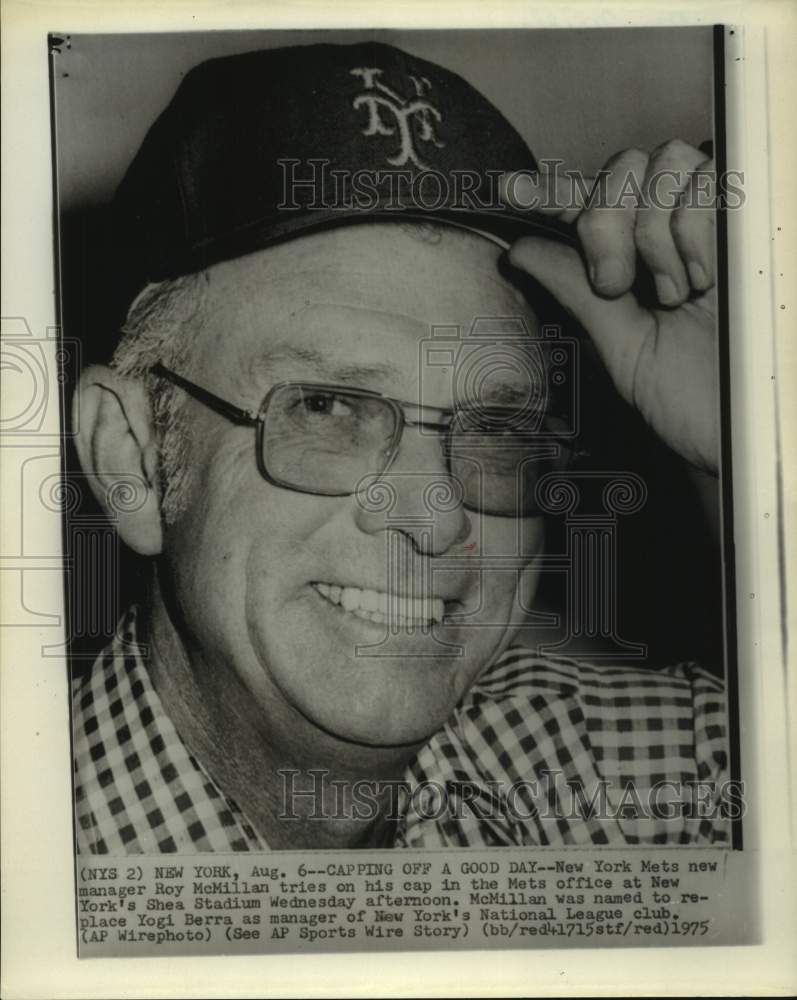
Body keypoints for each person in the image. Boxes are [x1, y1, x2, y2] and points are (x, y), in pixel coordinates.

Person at [71, 41, 729, 853]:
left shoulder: (640, 785)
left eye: (494, 429)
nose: (436, 521)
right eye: (327, 407)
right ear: (131, 458)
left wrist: (758, 424)